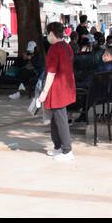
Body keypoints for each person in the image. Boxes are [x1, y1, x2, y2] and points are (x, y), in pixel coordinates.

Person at [33, 23, 76, 161]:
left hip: (56, 88)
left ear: (52, 34)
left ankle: (67, 150)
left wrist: (44, 92)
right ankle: (58, 147)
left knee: (60, 119)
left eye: (48, 34)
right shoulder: (67, 46)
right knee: (56, 119)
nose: (47, 36)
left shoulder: (54, 49)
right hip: (66, 86)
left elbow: (51, 72)